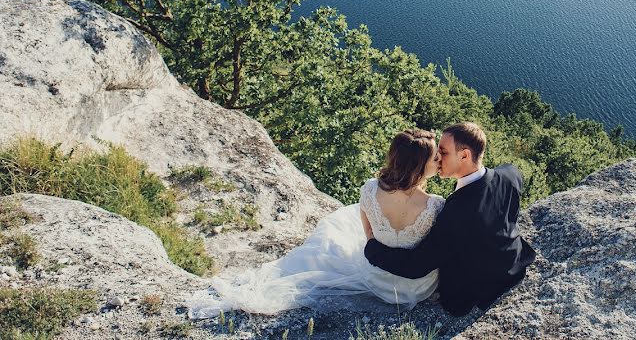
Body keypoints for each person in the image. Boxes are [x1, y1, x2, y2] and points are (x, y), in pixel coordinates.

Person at [186, 129, 444, 319]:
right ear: (419, 166)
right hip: (414, 289)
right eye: (435, 159)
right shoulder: (434, 205)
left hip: (376, 277)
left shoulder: (370, 189)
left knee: (335, 238)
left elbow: (369, 234)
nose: (439, 161)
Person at [364, 122, 536, 316]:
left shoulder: (455, 213)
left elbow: (416, 266)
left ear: (464, 155)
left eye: (443, 152)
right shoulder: (509, 174)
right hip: (514, 259)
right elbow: (515, 186)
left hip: (477, 287)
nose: (437, 158)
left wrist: (372, 249)